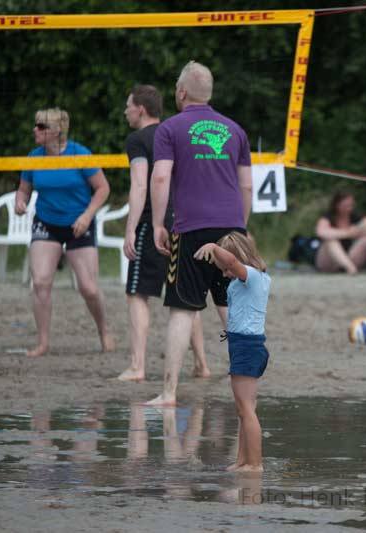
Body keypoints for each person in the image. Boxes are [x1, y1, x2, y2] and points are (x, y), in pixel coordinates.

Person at [146, 61, 252, 406]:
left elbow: (161, 177)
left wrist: (158, 223)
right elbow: (246, 185)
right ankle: (247, 387)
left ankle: (169, 393)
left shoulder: (170, 128)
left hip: (190, 228)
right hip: (231, 228)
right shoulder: (236, 130)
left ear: (181, 92)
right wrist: (241, 229)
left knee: (182, 309)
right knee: (231, 307)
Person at [117, 84, 209, 382]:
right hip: (186, 220)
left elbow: (141, 184)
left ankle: (137, 366)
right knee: (185, 295)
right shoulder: (177, 131)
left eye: (128, 106)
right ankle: (202, 365)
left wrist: (130, 228)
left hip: (152, 221)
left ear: (140, 109)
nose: (125, 111)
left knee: (137, 293)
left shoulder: (137, 139)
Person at [15, 107, 114, 358]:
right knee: (40, 282)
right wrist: (20, 201)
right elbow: (24, 188)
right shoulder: (34, 157)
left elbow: (102, 189)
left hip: (78, 223)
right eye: (35, 125)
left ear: (58, 131)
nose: (34, 130)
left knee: (89, 288)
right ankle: (43, 343)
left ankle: (104, 330)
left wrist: (87, 215)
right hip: (46, 223)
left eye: (41, 126)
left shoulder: (80, 154)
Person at [195, 232, 271, 472]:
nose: (225, 274)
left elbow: (231, 263)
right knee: (243, 409)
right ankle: (242, 460)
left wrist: (211, 246)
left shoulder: (254, 277)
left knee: (246, 410)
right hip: (242, 346)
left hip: (248, 348)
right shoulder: (241, 282)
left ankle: (255, 464)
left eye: (225, 269)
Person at [314, 192, 366, 274]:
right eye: (346, 205)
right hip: (328, 261)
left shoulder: (355, 216)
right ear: (337, 205)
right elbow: (320, 232)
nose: (349, 208)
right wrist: (348, 233)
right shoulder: (327, 217)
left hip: (349, 256)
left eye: (350, 205)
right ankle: (350, 268)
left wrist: (362, 231)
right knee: (330, 240)